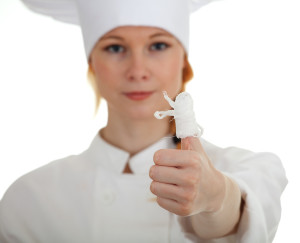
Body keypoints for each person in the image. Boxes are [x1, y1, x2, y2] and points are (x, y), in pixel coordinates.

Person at [0, 0, 287, 242]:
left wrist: (216, 197)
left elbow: (242, 216)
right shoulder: (30, 200)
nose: (137, 70)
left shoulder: (246, 168)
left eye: (158, 45)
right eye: (115, 48)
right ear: (92, 63)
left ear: (183, 61)